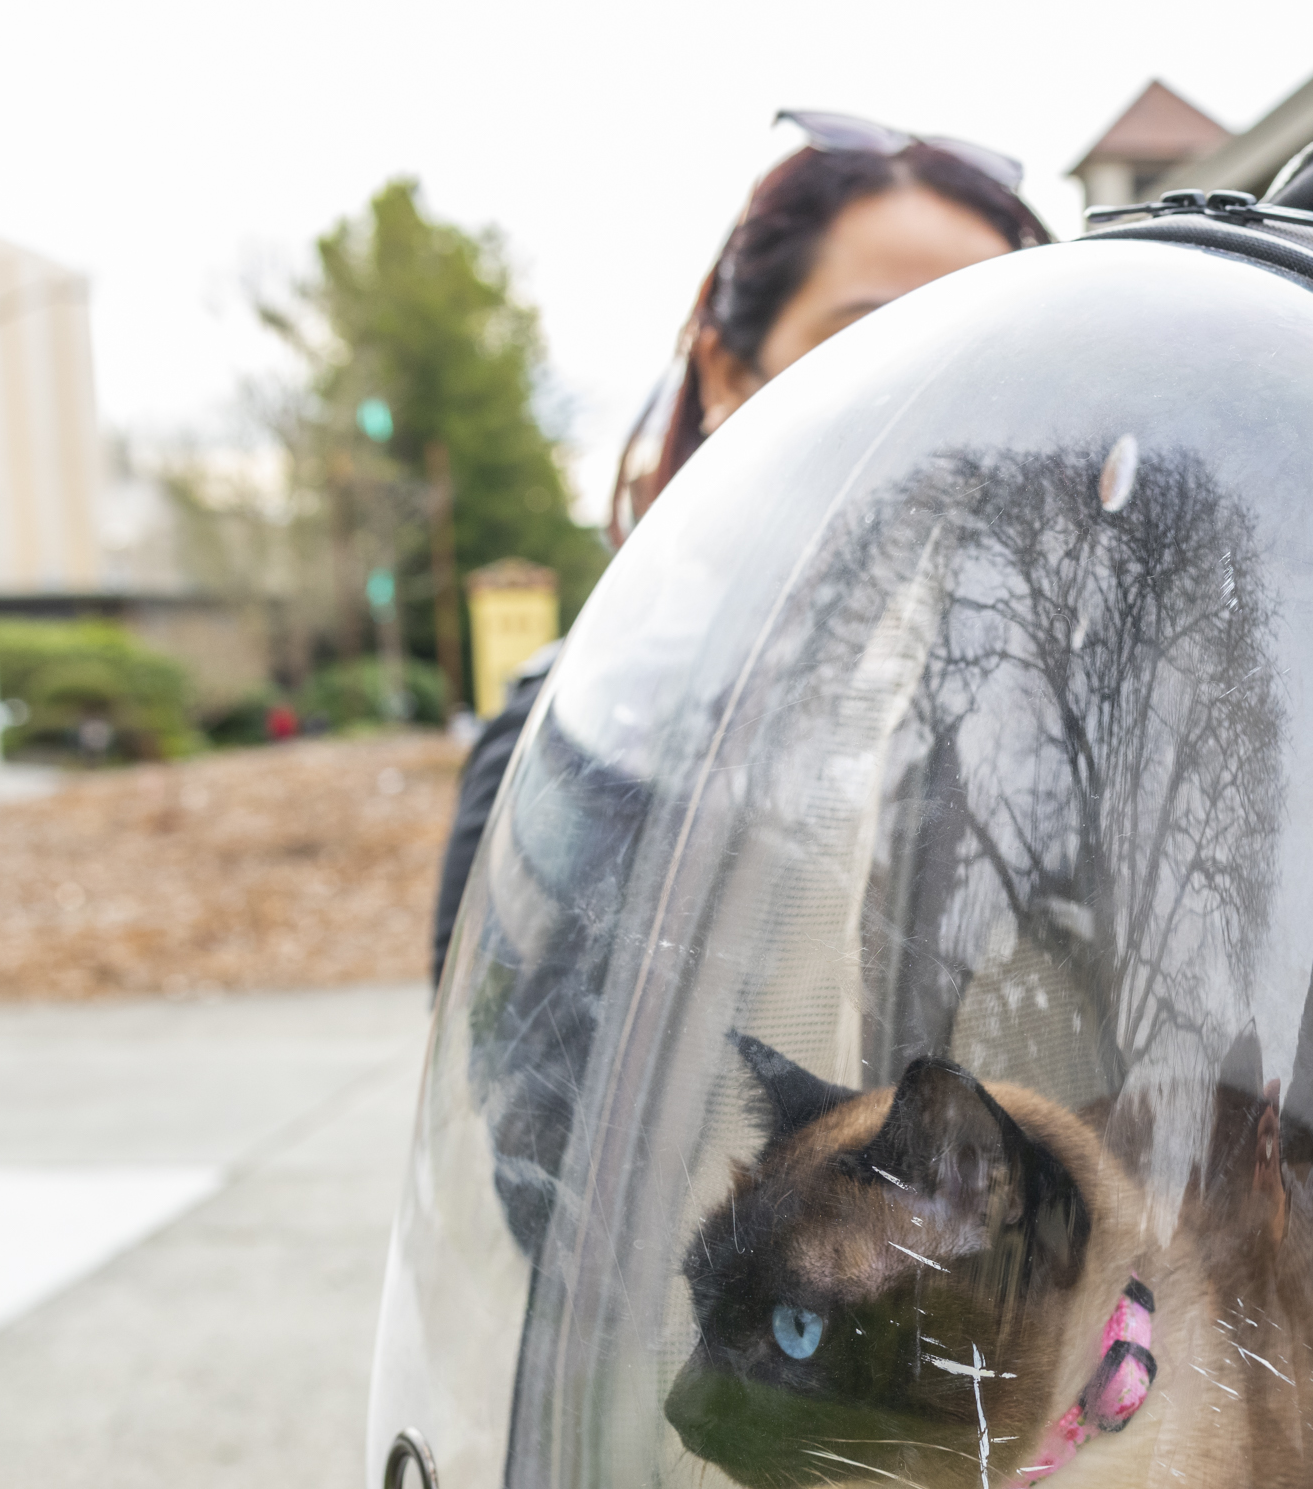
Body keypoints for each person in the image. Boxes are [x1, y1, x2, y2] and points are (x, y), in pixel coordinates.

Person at [428, 113, 1051, 969]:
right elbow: (525, 1087)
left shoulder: (1077, 709)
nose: (939, 410)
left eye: (993, 356)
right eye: (872, 344)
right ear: (725, 373)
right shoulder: (592, 725)